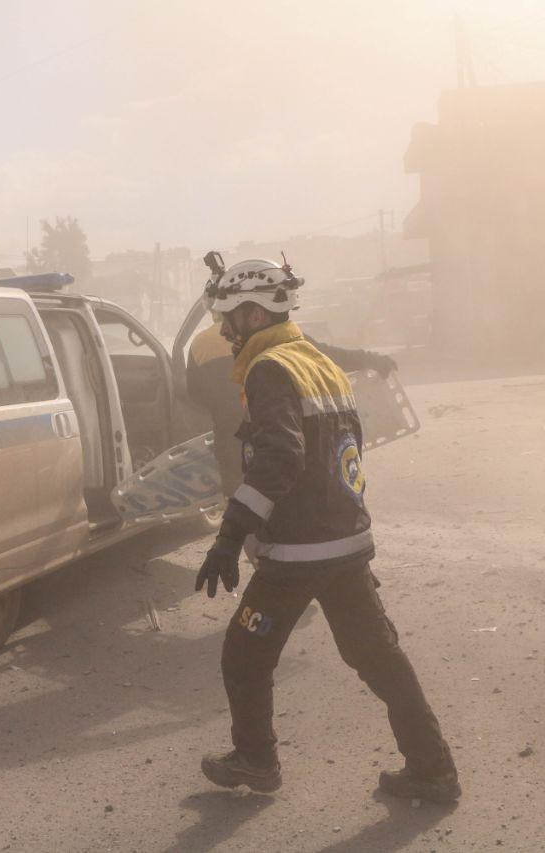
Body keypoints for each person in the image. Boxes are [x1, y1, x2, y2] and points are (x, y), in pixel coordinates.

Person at [193, 256, 460, 803]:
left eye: (230, 319)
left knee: (244, 653)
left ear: (252, 312)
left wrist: (227, 540)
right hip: (346, 541)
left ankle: (257, 760)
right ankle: (432, 768)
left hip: (298, 550)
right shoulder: (315, 360)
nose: (225, 331)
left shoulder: (270, 370)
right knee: (379, 657)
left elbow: (279, 458)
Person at [185, 312, 398, 501]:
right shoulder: (284, 337)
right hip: (284, 443)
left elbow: (195, 395)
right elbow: (330, 356)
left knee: (244, 515)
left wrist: (225, 409)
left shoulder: (199, 344)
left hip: (232, 447)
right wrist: (373, 359)